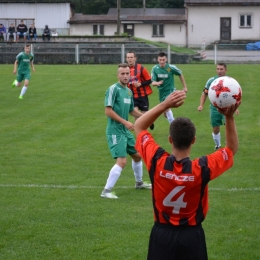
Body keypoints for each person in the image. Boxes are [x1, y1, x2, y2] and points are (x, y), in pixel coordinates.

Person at [134, 90, 240, 260]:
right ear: (193, 140)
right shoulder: (202, 168)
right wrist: (229, 117)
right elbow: (231, 149)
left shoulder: (156, 161)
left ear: (170, 139)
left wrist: (165, 105)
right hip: (192, 236)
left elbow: (139, 126)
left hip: (162, 234)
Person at [101, 63, 151, 199]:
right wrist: (125, 122)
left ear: (130, 75)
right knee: (122, 161)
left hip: (124, 130)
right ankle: (106, 191)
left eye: (127, 73)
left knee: (137, 155)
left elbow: (131, 110)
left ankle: (139, 183)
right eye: (122, 74)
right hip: (115, 131)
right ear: (118, 75)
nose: (125, 76)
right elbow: (108, 111)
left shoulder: (129, 91)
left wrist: (146, 116)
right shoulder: (113, 89)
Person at [198, 63, 239, 149]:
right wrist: (201, 105)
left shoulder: (230, 82)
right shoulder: (211, 81)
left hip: (227, 108)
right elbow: (205, 93)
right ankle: (218, 145)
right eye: (218, 69)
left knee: (228, 126)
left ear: (226, 70)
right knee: (216, 128)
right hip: (214, 108)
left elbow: (235, 95)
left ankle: (228, 145)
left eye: (221, 69)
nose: (219, 71)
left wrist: (235, 108)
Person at [151, 52, 188, 124]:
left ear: (166, 59)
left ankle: (175, 128)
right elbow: (153, 82)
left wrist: (185, 87)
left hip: (170, 91)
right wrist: (157, 83)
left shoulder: (170, 68)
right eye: (160, 60)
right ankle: (175, 125)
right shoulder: (155, 69)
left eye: (163, 60)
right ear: (157, 60)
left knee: (167, 108)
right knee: (165, 113)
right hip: (161, 92)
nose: (162, 61)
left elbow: (180, 74)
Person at [126, 51, 154, 130]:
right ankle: (140, 134)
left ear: (135, 58)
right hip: (132, 96)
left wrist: (140, 84)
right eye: (128, 57)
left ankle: (150, 121)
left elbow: (149, 80)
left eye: (131, 57)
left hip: (142, 96)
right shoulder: (125, 69)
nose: (130, 59)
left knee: (144, 116)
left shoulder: (141, 68)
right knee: (136, 115)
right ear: (126, 59)